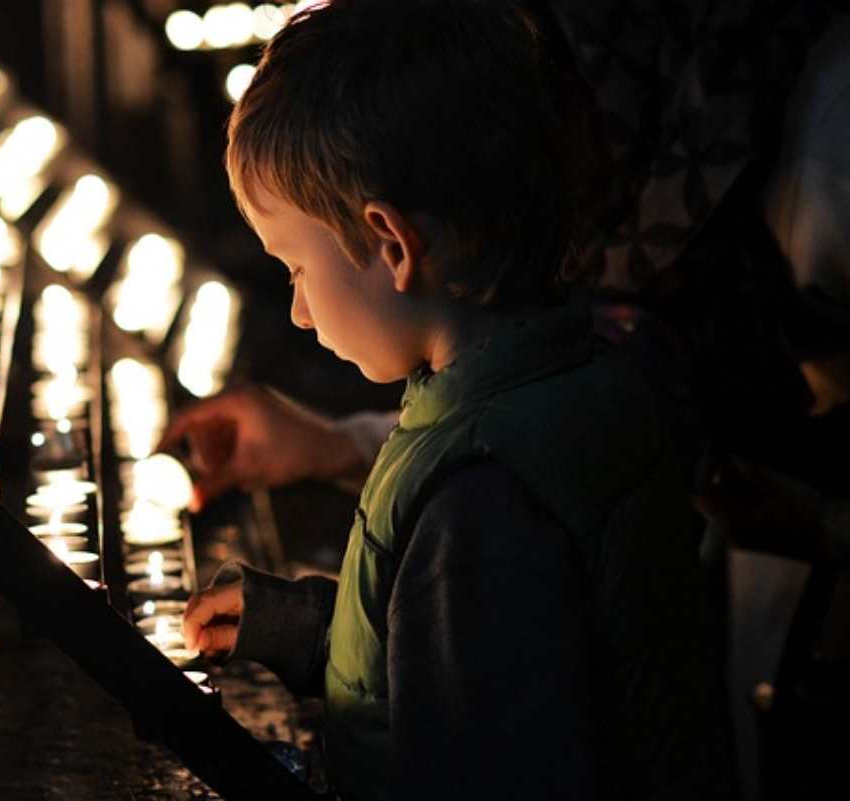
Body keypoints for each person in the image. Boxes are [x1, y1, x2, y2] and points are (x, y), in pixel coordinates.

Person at [165, 2, 732, 799]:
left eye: (295, 267)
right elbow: (468, 664)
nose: (296, 309)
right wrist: (299, 629)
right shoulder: (579, 384)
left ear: (393, 245)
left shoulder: (479, 497)